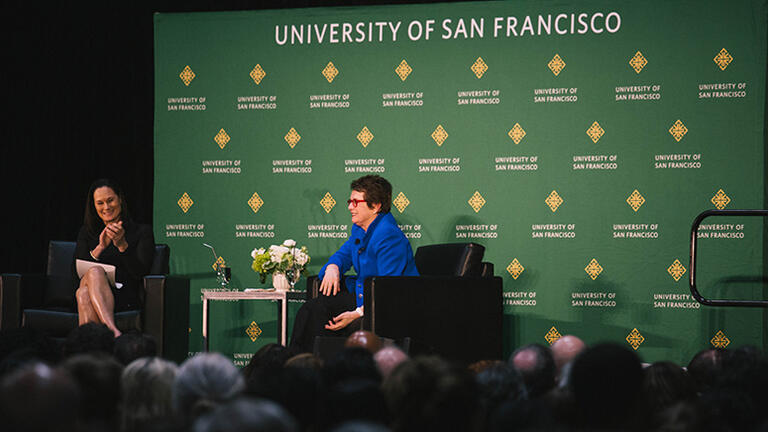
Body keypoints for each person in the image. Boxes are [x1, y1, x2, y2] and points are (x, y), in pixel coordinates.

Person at [290, 175, 418, 353]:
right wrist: (333, 268)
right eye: (350, 201)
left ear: (376, 206)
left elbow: (387, 289)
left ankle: (306, 367)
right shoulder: (360, 228)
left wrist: (357, 313)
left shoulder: (388, 235)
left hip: (390, 304)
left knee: (316, 310)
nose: (350, 207)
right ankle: (299, 363)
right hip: (364, 295)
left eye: (356, 202)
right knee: (313, 308)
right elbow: (343, 255)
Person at [74, 178, 155, 337]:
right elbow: (75, 273)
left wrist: (122, 245)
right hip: (91, 286)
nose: (106, 207)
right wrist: (100, 248)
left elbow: (140, 272)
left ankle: (89, 352)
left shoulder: (141, 232)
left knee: (83, 294)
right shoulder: (87, 232)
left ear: (120, 200)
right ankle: (112, 330)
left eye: (110, 200)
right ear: (94, 206)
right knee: (94, 273)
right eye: (100, 203)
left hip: (123, 295)